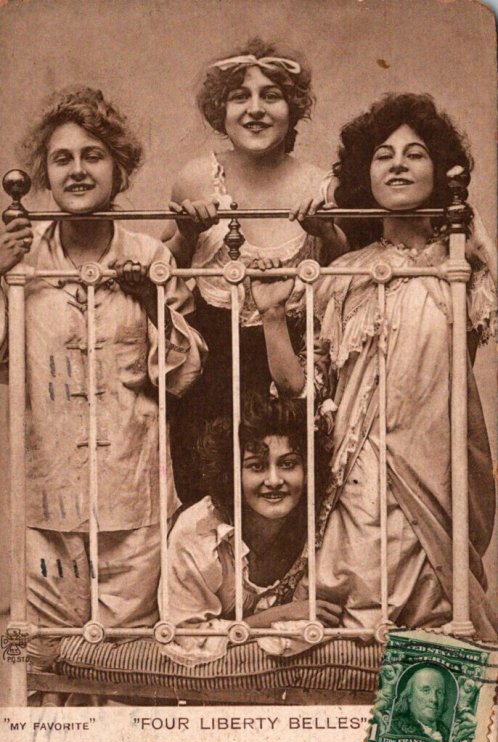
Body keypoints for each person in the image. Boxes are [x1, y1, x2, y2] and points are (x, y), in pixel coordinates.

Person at [252, 93, 497, 637]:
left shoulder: (461, 269)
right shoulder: (344, 274)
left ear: (439, 170)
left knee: (438, 627)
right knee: (356, 629)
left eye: (415, 154)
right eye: (384, 155)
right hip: (360, 479)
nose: (399, 164)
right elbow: (300, 388)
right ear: (366, 174)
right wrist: (271, 315)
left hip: (438, 470)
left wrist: (472, 234)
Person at [0, 86, 206, 673]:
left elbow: (185, 378)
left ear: (119, 169)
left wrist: (153, 299)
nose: (78, 170)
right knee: (43, 661)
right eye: (62, 159)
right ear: (43, 173)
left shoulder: (147, 253)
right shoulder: (21, 260)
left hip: (132, 494)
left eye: (93, 155)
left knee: (130, 665)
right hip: (47, 502)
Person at [163, 38, 346, 502]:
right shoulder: (197, 177)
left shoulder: (321, 185)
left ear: (293, 108)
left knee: (289, 514)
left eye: (271, 95)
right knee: (205, 511)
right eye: (240, 96)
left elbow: (348, 277)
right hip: (209, 383)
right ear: (220, 112)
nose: (255, 109)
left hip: (290, 382)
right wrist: (186, 234)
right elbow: (162, 270)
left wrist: (326, 232)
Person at [160, 394, 340, 666]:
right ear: (232, 473)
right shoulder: (199, 531)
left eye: (288, 464)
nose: (274, 480)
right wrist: (281, 615)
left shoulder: (319, 525)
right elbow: (187, 637)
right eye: (256, 466)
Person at [389, 667, 451, 742]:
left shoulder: (448, 734)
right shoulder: (393, 728)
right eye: (426, 690)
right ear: (410, 695)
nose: (434, 699)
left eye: (439, 692)